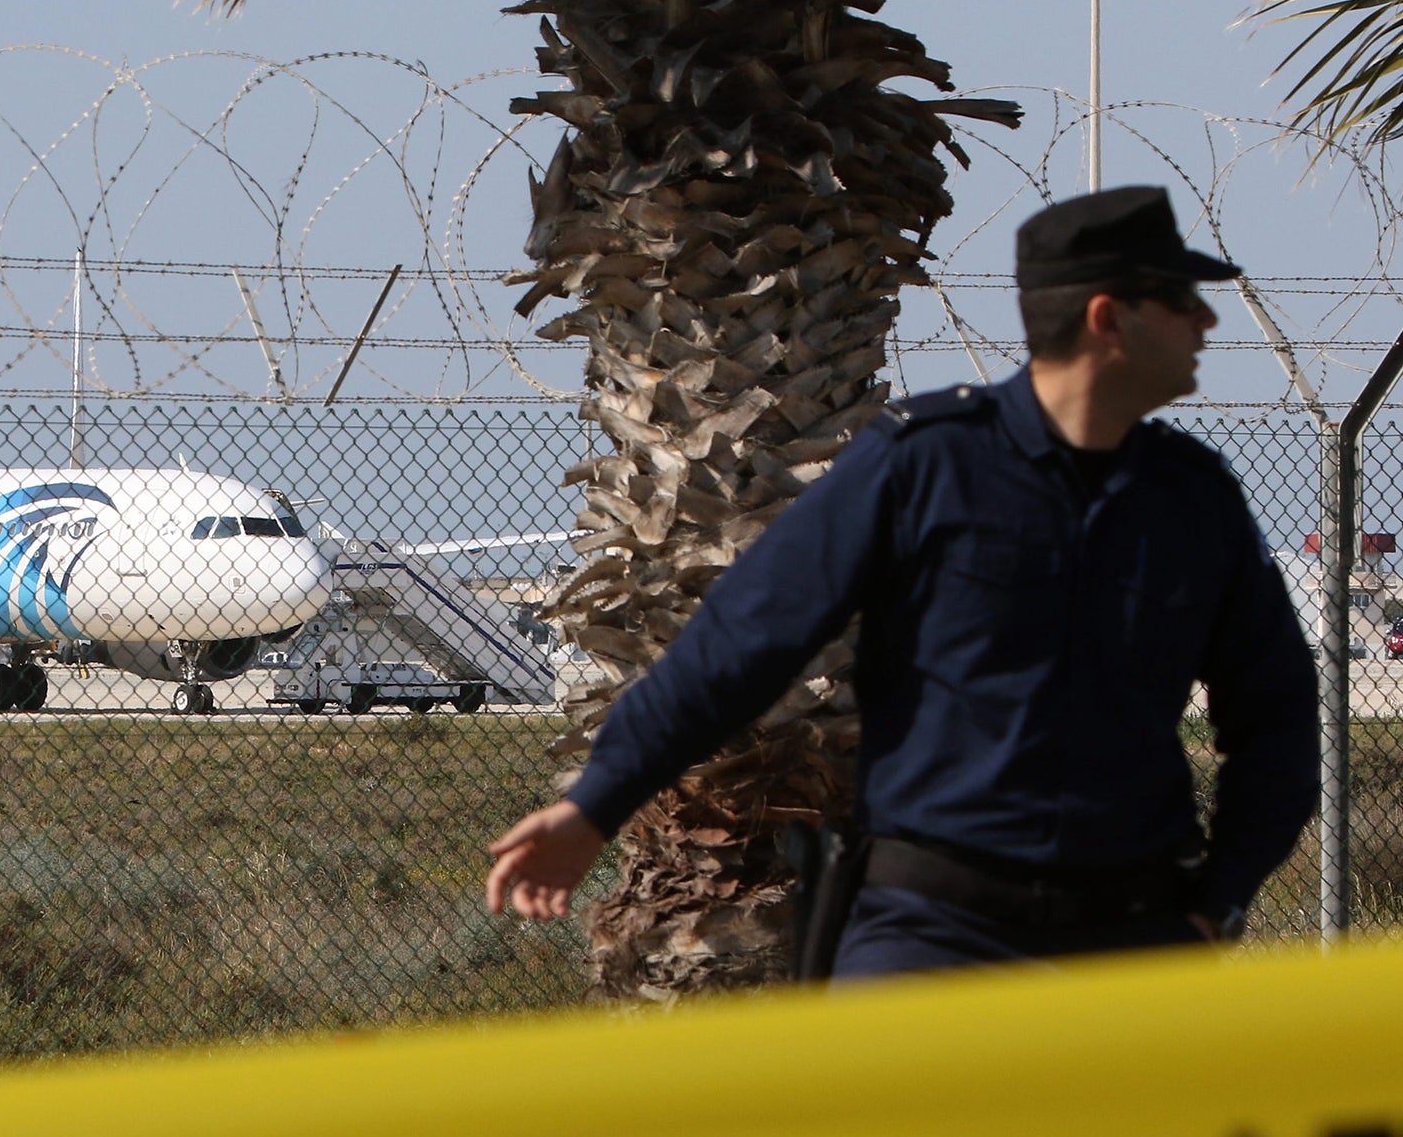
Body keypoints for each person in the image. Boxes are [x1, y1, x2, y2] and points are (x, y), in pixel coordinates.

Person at [486, 184, 1320, 979]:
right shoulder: (927, 464)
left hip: (1134, 936)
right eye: (1182, 300)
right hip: (935, 932)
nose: (1207, 321)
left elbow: (1277, 717)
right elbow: (742, 643)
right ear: (1110, 318)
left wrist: (1219, 903)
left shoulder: (1191, 498)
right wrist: (598, 802)